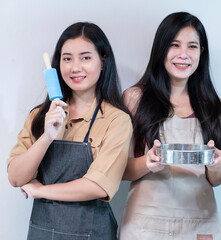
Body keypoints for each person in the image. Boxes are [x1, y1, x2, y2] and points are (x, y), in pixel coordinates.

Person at [7, 22, 132, 239]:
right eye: (67, 58)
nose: (75, 67)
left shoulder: (116, 120)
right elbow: (16, 177)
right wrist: (46, 137)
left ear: (102, 62)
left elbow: (98, 186)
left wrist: (40, 190)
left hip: (92, 233)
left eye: (85, 57)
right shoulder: (40, 116)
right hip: (41, 232)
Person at [119, 12, 221, 240]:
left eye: (192, 46)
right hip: (146, 224)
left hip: (201, 222)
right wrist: (148, 163)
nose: (183, 55)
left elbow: (217, 178)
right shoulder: (134, 98)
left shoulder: (214, 107)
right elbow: (120, 170)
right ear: (161, 49)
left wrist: (218, 167)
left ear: (201, 52)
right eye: (174, 45)